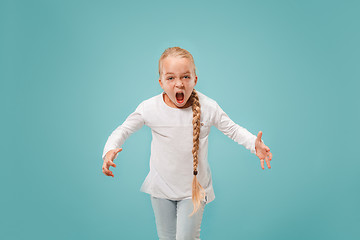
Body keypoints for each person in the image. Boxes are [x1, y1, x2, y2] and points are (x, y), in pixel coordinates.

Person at [101, 47, 272, 240]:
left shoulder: (208, 107)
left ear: (195, 80)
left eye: (185, 77)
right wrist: (109, 150)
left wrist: (254, 144)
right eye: (171, 78)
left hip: (194, 189)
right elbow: (123, 129)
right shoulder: (149, 108)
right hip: (161, 188)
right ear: (161, 82)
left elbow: (232, 129)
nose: (179, 84)